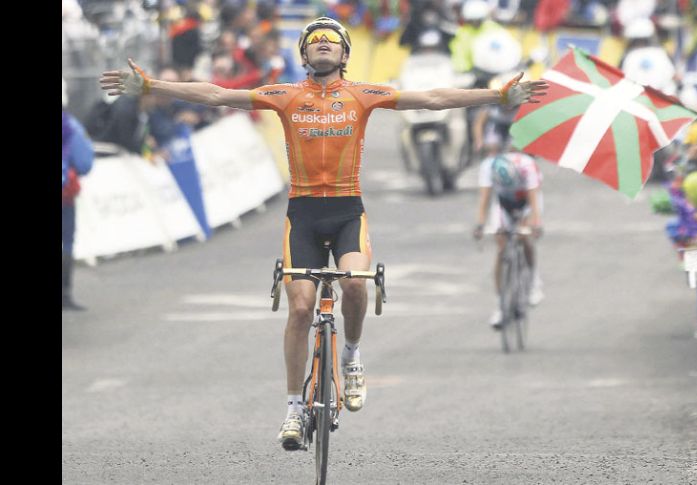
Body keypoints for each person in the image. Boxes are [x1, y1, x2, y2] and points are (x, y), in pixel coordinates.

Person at [100, 16, 548, 451]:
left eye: (331, 39)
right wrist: (154, 86)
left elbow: (432, 97)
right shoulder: (285, 95)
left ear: (345, 53)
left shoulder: (363, 94)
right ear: (303, 53)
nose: (322, 42)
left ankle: (351, 357)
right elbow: (217, 93)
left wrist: (498, 95)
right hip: (304, 215)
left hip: (347, 211)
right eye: (313, 39)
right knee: (299, 309)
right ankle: (294, 408)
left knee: (355, 285)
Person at [473, 131, 544, 328]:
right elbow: (485, 199)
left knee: (523, 236)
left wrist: (535, 225)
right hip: (503, 203)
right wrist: (480, 224)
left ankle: (533, 282)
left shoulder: (528, 167)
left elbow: (534, 203)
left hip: (526, 202)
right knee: (501, 247)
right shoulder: (489, 166)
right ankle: (500, 305)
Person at [62, 79, 95, 311]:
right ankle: (65, 293)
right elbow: (84, 163)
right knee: (66, 243)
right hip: (64, 196)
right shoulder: (70, 126)